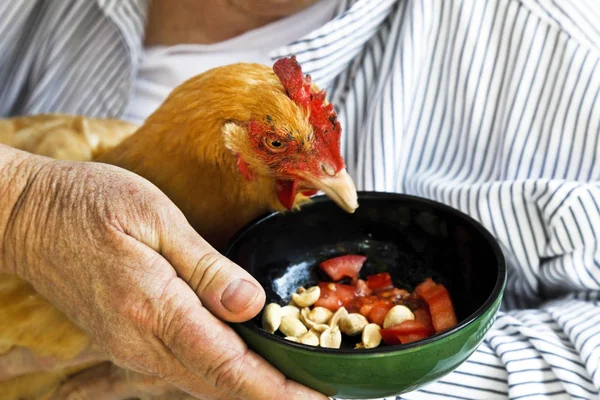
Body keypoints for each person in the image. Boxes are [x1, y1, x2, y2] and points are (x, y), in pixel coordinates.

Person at [1, 0, 599, 399]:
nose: (333, 174)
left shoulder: (569, 53)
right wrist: (18, 206)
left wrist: (344, 377)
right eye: (278, 143)